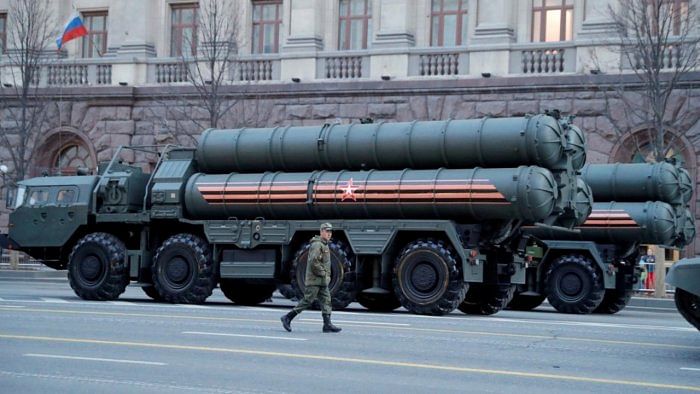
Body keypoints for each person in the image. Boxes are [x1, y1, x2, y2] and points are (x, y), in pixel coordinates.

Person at [281, 223, 341, 333]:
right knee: (307, 301)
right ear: (321, 231)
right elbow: (314, 262)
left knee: (326, 300)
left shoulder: (325, 244)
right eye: (327, 231)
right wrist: (323, 273)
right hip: (315, 280)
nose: (329, 234)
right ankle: (288, 317)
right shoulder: (317, 245)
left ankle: (327, 324)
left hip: (322, 280)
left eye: (330, 232)